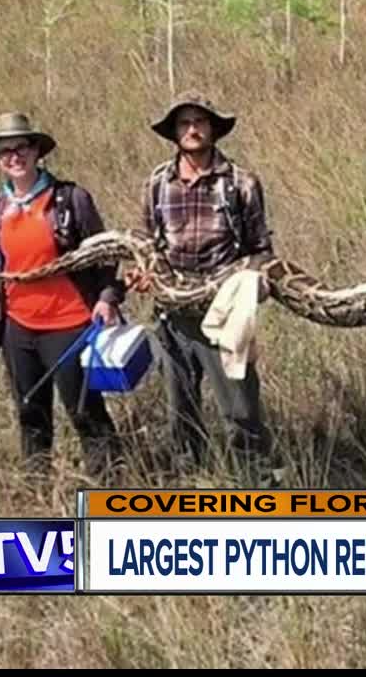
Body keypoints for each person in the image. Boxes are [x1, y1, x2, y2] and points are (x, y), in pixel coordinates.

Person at [0, 112, 123, 483]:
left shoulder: (70, 198)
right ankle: (36, 493)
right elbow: (0, 269)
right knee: (30, 412)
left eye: (20, 147)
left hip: (70, 324)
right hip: (18, 328)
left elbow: (106, 254)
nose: (13, 156)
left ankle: (109, 494)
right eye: (5, 151)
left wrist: (107, 297)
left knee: (85, 412)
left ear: (36, 151)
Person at [124, 92, 276, 477]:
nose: (192, 129)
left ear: (213, 129)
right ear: (175, 132)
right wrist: (142, 275)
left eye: (200, 122)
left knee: (240, 410)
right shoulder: (157, 183)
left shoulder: (241, 183)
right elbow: (147, 245)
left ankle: (253, 485)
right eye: (184, 123)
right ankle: (192, 484)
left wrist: (254, 280)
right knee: (181, 411)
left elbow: (261, 250)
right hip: (172, 316)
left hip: (224, 313)